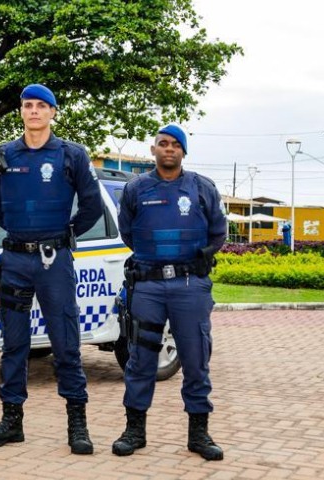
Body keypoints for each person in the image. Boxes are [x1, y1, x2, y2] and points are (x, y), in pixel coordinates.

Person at [0, 84, 104, 454]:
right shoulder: (2, 156)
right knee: (13, 344)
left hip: (55, 261)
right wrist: (24, 233)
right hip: (15, 261)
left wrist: (62, 236)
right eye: (27, 105)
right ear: (20, 112)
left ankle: (77, 424)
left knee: (66, 343)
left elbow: (92, 206)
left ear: (52, 112)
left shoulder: (71, 155)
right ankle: (11, 421)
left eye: (41, 106)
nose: (33, 111)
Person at [112, 124, 227, 461]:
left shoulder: (202, 188)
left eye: (176, 145)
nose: (169, 149)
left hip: (189, 287)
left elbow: (218, 232)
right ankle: (134, 430)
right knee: (140, 359)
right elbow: (128, 232)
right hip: (147, 286)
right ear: (153, 150)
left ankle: (199, 433)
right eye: (163, 144)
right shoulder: (136, 189)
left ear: (184, 152)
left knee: (195, 359)